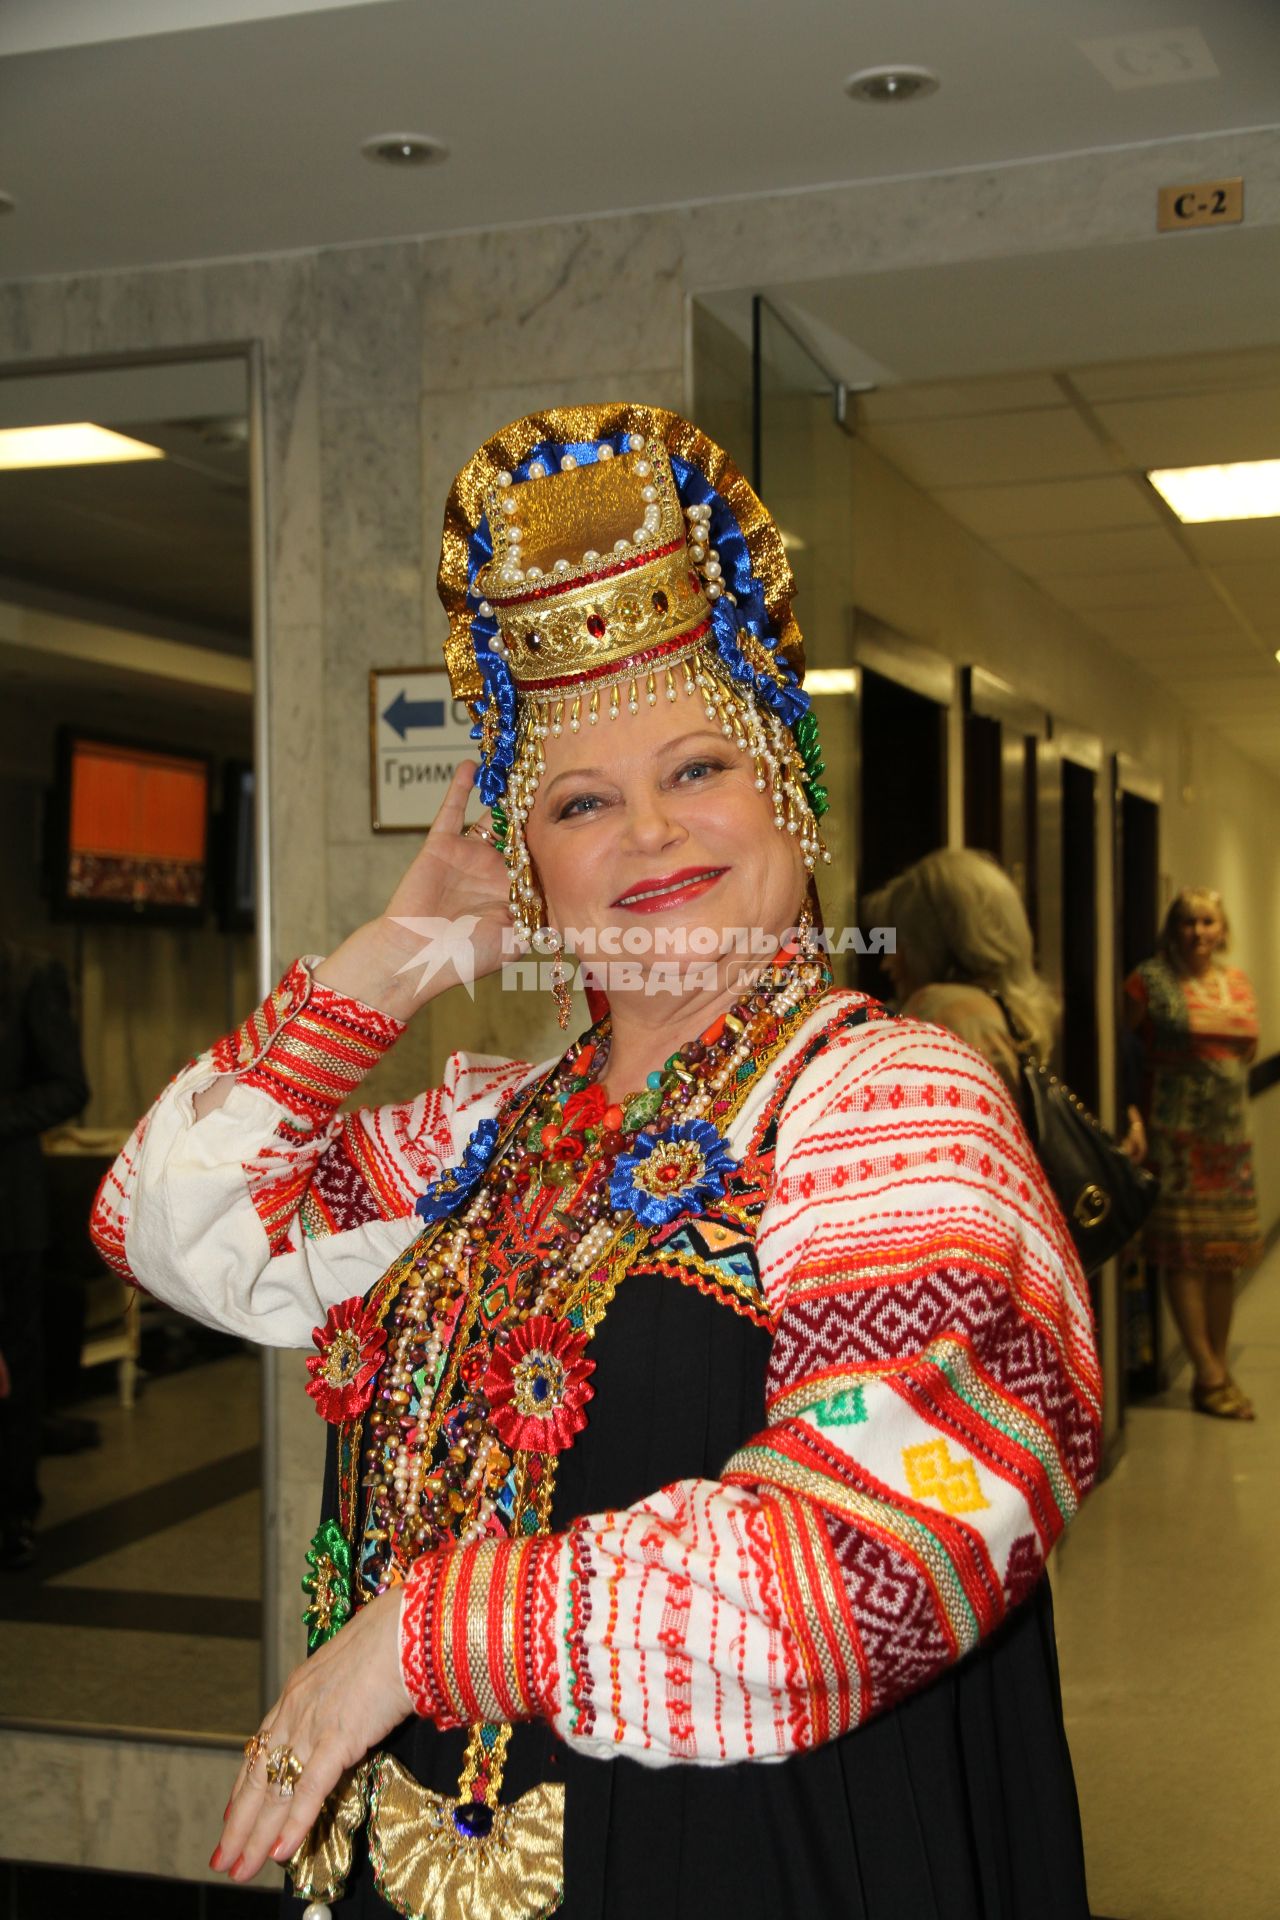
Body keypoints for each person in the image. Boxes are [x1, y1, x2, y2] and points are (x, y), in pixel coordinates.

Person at [92, 407, 1101, 1920]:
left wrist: (417, 1636)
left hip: (766, 1865)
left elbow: (876, 1553)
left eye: (697, 768)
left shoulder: (885, 1106)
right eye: (578, 802)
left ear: (789, 793)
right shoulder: (496, 1134)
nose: (646, 829)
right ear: (528, 868)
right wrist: (407, 944)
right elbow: (174, 1225)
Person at [1124, 887, 1261, 1420]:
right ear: (1172, 929)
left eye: (1206, 922)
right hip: (1175, 1142)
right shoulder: (1149, 982)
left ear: (1221, 929)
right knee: (1183, 1256)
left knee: (1222, 1257)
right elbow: (1123, 1050)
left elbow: (1246, 1050)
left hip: (1229, 1145)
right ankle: (1207, 1372)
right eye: (1186, 922)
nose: (1197, 932)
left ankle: (1217, 1370)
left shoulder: (1238, 982)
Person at [0, 941, 91, 1569]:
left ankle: (12, 1513)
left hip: (8, 1212)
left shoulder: (31, 970)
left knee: (13, 1370)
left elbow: (69, 1087)